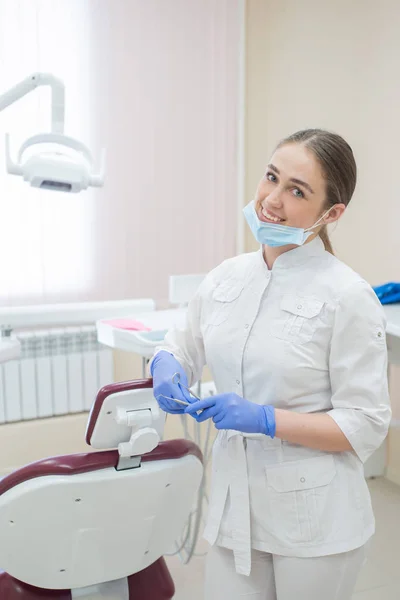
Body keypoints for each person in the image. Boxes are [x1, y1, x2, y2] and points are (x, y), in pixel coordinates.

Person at [150, 129, 391, 600]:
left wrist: (265, 420)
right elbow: (180, 342)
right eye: (271, 178)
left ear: (332, 213)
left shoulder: (347, 295)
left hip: (315, 520)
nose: (272, 200)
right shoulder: (228, 276)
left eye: (296, 190)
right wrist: (167, 365)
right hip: (232, 506)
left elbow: (365, 423)